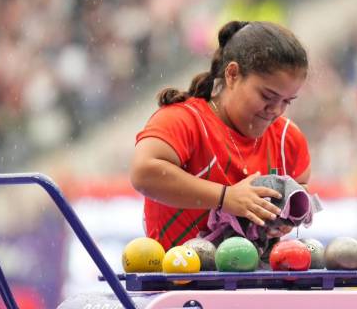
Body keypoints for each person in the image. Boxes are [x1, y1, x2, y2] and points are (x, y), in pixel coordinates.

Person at [130, 20, 311, 250]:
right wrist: (226, 198)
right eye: (267, 96)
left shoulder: (288, 138)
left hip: (256, 283)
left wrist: (285, 216)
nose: (276, 110)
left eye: (287, 101)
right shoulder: (183, 120)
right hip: (176, 281)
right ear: (233, 74)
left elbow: (302, 184)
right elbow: (143, 173)